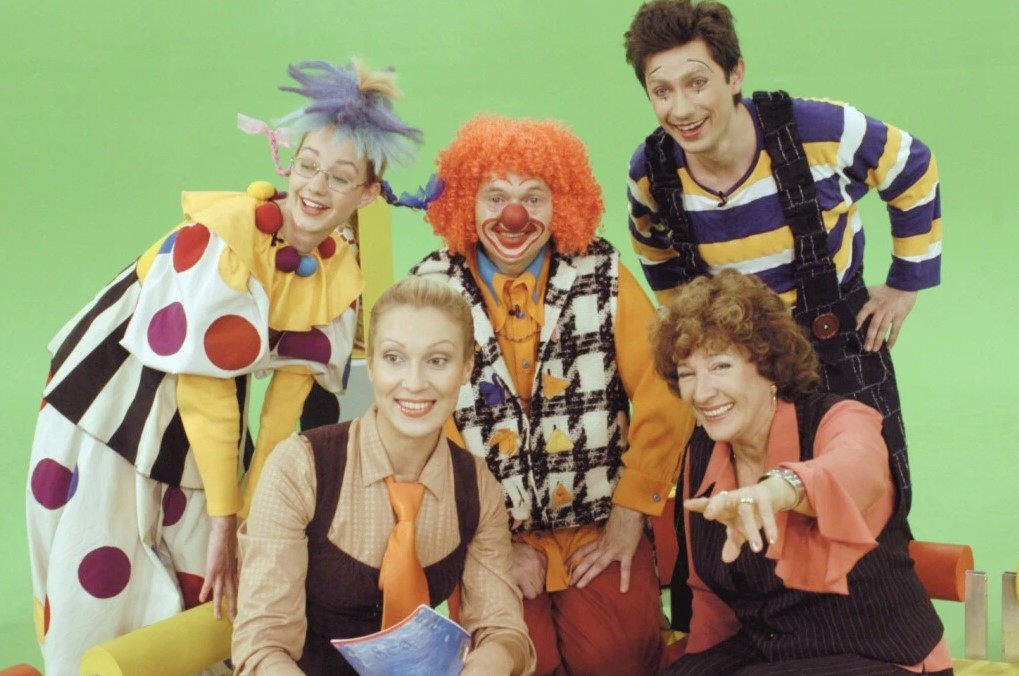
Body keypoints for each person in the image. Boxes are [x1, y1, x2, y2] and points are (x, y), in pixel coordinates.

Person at [26, 58, 423, 674]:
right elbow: (204, 386)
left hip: (197, 421)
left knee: (205, 575)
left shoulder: (337, 274)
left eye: (341, 177)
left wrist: (251, 524)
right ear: (289, 164)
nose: (316, 188)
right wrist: (226, 517)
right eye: (308, 166)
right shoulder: (224, 238)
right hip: (109, 403)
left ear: (368, 195)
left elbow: (284, 413)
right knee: (99, 565)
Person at [624, 0, 943, 525]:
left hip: (835, 347)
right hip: (735, 365)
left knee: (864, 501)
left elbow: (912, 166)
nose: (681, 108)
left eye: (697, 83)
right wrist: (695, 340)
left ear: (734, 75)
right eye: (662, 91)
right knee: (733, 513)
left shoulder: (818, 129)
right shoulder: (651, 171)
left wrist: (905, 282)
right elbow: (653, 248)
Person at [412, 114, 694, 675]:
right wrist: (486, 544)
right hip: (489, 534)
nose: (514, 216)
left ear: (561, 204)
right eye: (495, 197)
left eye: (534, 198)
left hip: (599, 525)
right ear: (466, 203)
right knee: (518, 662)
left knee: (618, 659)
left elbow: (666, 389)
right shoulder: (431, 290)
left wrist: (631, 512)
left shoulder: (602, 271)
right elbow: (423, 429)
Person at [648, 269, 951, 674]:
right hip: (774, 654)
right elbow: (710, 599)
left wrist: (779, 489)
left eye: (720, 366)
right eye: (687, 374)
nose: (701, 392)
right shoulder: (702, 451)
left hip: (880, 654)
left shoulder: (839, 418)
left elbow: (856, 469)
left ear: (768, 366)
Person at [231, 276, 536, 675]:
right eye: (394, 358)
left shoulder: (478, 487)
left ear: (466, 367)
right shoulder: (299, 467)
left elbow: (502, 628)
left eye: (438, 360)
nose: (414, 383)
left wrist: (493, 660)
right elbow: (262, 645)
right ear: (371, 365)